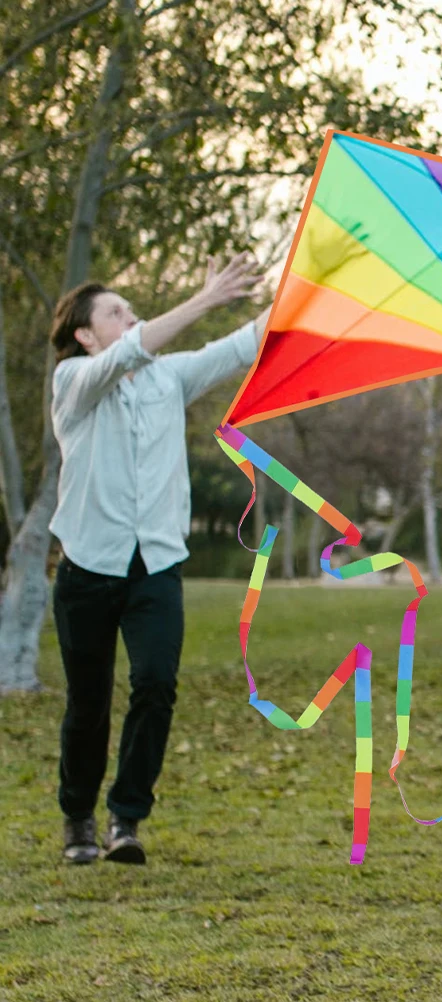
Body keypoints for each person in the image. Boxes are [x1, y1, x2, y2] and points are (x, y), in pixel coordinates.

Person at [49, 253, 269, 865]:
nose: (130, 315)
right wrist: (205, 299)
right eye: (115, 313)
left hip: (156, 567)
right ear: (86, 335)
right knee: (87, 703)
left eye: (130, 308)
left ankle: (126, 818)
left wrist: (319, 284)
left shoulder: (168, 377)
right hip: (87, 569)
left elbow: (245, 344)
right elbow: (129, 353)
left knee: (155, 684)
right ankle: (77, 819)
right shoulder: (73, 382)